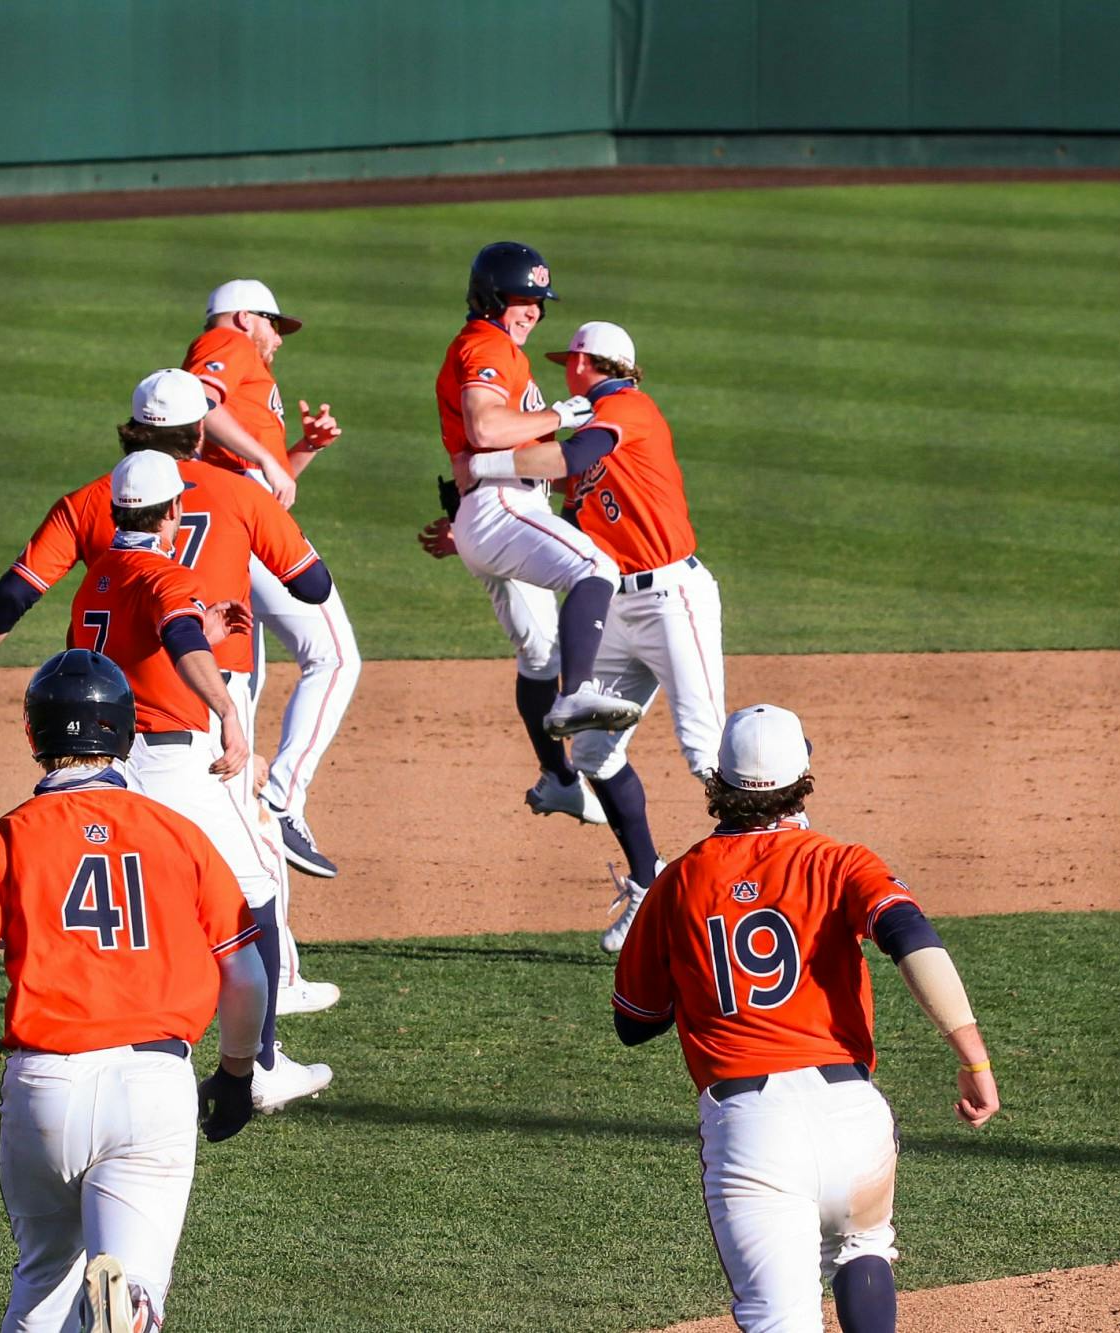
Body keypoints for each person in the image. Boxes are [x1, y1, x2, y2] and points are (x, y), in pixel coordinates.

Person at [0, 368, 342, 1018]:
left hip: (102, 717)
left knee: (122, 863)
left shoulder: (90, 503)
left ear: (132, 431)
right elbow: (312, 587)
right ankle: (266, 1023)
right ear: (200, 429)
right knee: (249, 863)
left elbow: (13, 594)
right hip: (204, 698)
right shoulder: (237, 492)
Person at [0, 649, 268, 1333]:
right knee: (132, 1282)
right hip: (153, 1085)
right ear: (125, 732)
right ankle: (125, 1310)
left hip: (44, 1091)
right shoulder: (183, 836)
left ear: (35, 734)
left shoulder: (0, 841)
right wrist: (237, 1074)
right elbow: (245, 975)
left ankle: (99, 1312)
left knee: (41, 1284)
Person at [611, 704, 1001, 1333]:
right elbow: (912, 936)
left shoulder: (677, 884)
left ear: (718, 784)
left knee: (781, 1321)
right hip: (853, 1115)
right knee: (862, 1248)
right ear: (803, 778)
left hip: (752, 1133)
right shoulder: (842, 862)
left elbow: (634, 1022)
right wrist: (973, 1058)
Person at [61, 447, 332, 1111]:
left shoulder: (99, 576)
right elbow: (180, 638)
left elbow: (147, 639)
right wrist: (227, 711)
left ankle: (116, 1050)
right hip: (176, 763)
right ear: (174, 510)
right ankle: (260, 1065)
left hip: (113, 768)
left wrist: (201, 629)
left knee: (135, 910)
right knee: (256, 896)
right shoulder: (168, 572)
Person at [456, 321, 726, 951]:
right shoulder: (589, 419)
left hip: (672, 599)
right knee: (596, 754)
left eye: (568, 360)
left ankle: (788, 869)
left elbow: (572, 458)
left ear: (585, 362)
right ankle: (647, 885)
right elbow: (571, 514)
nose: (562, 371)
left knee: (706, 753)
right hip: (618, 608)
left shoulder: (625, 408)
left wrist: (482, 463)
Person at [428, 240, 638, 827]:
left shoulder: (493, 347)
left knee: (539, 655)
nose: (535, 312)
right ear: (494, 296)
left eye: (541, 303)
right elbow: (486, 426)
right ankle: (582, 690)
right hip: (502, 506)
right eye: (525, 298)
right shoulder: (486, 343)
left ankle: (559, 776)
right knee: (595, 568)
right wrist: (562, 416)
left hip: (489, 512)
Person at [181, 280, 358, 877]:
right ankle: (280, 798)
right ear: (241, 317)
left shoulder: (250, 378)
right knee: (334, 656)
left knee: (244, 682)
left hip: (240, 518)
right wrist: (262, 458)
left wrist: (300, 449)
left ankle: (237, 812)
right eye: (273, 324)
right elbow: (200, 403)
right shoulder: (225, 341)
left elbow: (275, 482)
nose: (278, 337)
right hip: (242, 519)